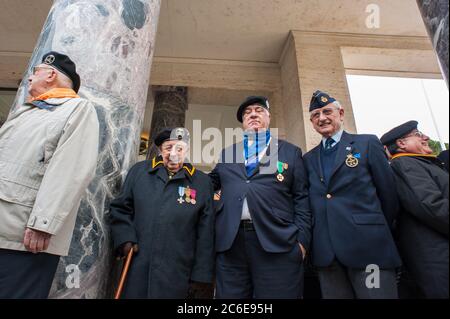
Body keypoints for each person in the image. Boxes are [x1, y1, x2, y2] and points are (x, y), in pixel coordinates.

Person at [0, 51, 99, 298]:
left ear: (51, 74)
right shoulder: (27, 111)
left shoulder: (77, 109)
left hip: (24, 237)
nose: (29, 79)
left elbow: (71, 169)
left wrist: (44, 223)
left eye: (35, 72)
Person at [209, 96, 311, 299]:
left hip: (277, 243)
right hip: (232, 245)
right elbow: (208, 184)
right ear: (242, 122)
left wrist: (302, 243)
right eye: (247, 112)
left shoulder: (289, 151)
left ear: (268, 116)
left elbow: (302, 198)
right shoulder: (229, 152)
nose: (253, 114)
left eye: (258, 110)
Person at [303, 90, 401, 299]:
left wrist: (372, 227)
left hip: (370, 250)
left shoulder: (366, 143)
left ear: (340, 113)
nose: (322, 118)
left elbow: (388, 195)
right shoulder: (308, 158)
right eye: (315, 115)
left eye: (327, 111)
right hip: (328, 256)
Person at [108, 128, 215, 298]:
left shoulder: (202, 182)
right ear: (160, 150)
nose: (173, 153)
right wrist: (125, 238)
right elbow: (121, 208)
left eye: (179, 148)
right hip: (138, 264)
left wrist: (201, 276)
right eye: (168, 147)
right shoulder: (139, 172)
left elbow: (206, 232)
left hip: (179, 271)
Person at [381, 120, 449, 298]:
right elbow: (430, 205)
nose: (426, 137)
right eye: (418, 135)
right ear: (401, 144)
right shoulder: (405, 164)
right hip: (438, 258)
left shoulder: (419, 163)